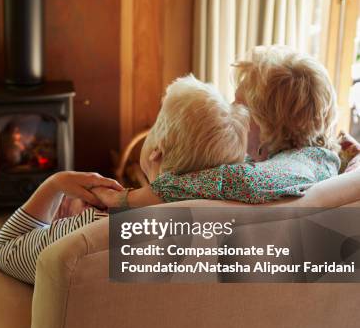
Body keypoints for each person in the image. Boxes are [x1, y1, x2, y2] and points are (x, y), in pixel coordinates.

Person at [0, 75, 249, 284]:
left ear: (155, 151)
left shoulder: (95, 230)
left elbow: (5, 251)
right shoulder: (226, 229)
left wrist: (55, 184)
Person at [94, 46, 341, 208]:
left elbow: (243, 181)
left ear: (270, 125)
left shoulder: (309, 163)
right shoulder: (304, 158)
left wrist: (129, 199)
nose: (231, 108)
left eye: (240, 104)